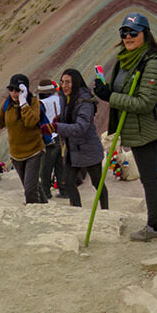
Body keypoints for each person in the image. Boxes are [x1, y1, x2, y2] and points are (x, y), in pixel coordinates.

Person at [95, 13, 157, 240]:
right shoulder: (127, 59)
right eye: (124, 32)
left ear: (145, 34)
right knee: (152, 176)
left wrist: (110, 96)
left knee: (148, 178)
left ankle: (155, 227)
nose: (128, 37)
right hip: (136, 128)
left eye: (133, 32)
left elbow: (145, 102)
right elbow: (123, 89)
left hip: (147, 129)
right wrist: (105, 89)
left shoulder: (153, 63)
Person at [0, 74, 46, 203]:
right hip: (16, 155)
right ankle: (44, 208)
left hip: (34, 152)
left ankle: (34, 214)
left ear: (24, 90)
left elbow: (31, 122)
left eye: (17, 90)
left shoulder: (33, 102)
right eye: (11, 89)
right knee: (31, 185)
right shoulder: (7, 104)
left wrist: (23, 103)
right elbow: (0, 123)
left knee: (30, 190)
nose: (14, 93)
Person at [54, 68, 106, 209]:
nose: (64, 85)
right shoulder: (66, 98)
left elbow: (80, 127)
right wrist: (62, 119)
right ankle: (78, 211)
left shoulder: (85, 102)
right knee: (69, 181)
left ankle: (105, 211)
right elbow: (71, 119)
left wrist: (56, 126)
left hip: (88, 148)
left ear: (75, 83)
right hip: (73, 149)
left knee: (97, 183)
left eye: (68, 82)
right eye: (62, 82)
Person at [36, 79, 66, 200]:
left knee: (46, 167)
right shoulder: (59, 98)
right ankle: (64, 189)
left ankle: (46, 192)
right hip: (61, 135)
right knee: (60, 165)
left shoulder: (41, 103)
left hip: (48, 137)